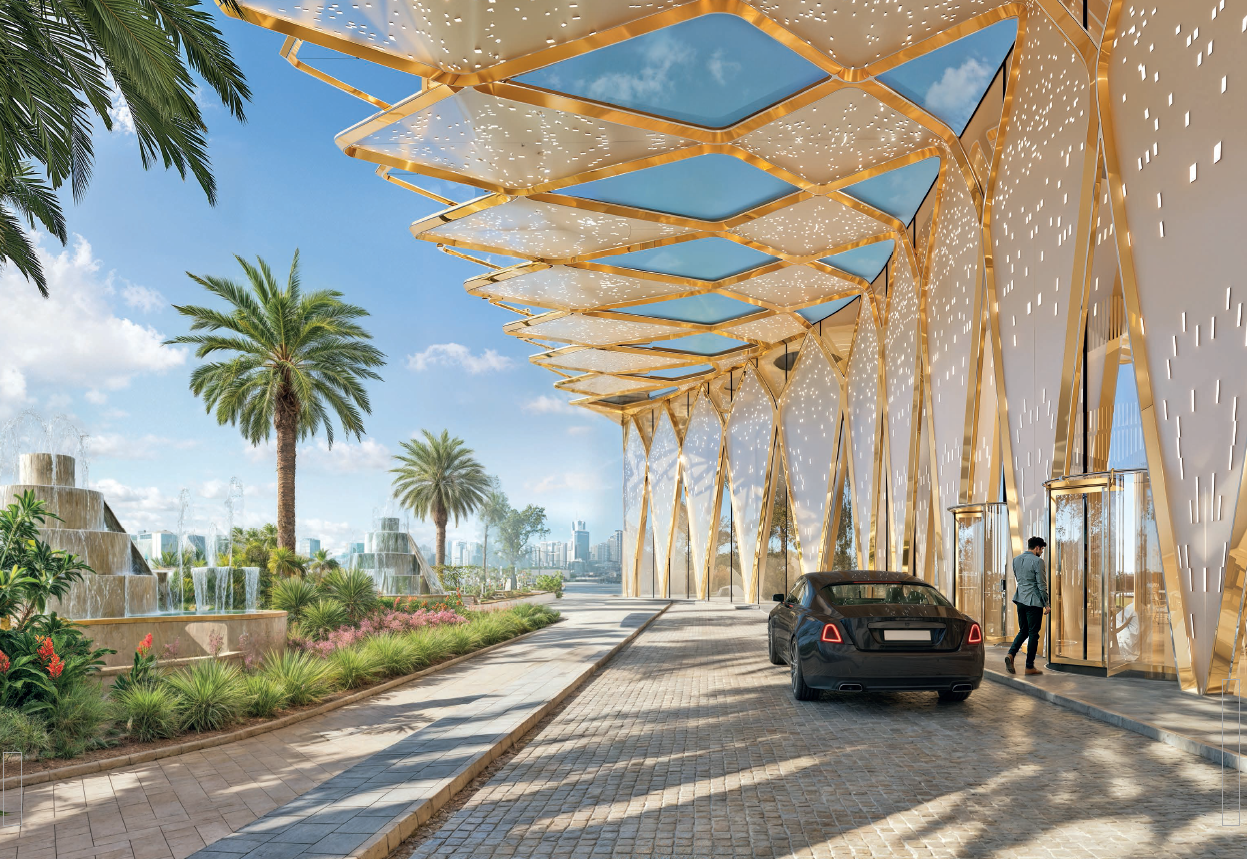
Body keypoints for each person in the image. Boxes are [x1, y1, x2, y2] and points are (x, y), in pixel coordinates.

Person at [1005, 536, 1050, 676]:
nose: (1041, 552)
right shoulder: (1038, 561)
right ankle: (1029, 666)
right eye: (1041, 549)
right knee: (1033, 634)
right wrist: (1047, 604)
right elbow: (1041, 585)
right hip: (1033, 602)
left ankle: (1011, 654)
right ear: (1037, 548)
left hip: (1020, 600)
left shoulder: (1016, 560)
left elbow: (1020, 579)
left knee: (1023, 630)